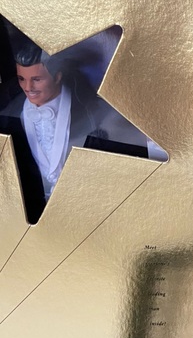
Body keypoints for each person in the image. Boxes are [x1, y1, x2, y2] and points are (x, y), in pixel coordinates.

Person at [0, 38, 149, 223]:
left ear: (57, 76)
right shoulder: (8, 116)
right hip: (32, 217)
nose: (28, 88)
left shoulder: (95, 111)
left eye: (36, 79)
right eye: (22, 79)